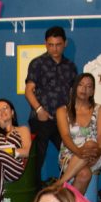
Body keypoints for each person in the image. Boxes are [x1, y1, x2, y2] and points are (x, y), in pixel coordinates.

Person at [25, 27, 78, 185]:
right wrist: (39, 110)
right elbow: (29, 91)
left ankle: (67, 190)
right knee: (37, 158)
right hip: (41, 119)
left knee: (69, 152)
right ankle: (33, 194)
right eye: (50, 45)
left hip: (62, 120)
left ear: (65, 44)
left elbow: (72, 93)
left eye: (58, 44)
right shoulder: (37, 63)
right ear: (45, 44)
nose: (54, 48)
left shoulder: (70, 67)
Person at [56, 72, 101, 197]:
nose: (84, 89)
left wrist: (98, 151)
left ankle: (60, 182)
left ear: (92, 92)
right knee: (84, 174)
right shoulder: (62, 111)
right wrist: (78, 152)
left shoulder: (100, 110)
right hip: (70, 153)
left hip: (95, 154)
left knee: (90, 144)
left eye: (89, 86)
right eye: (81, 85)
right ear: (74, 88)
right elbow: (65, 136)